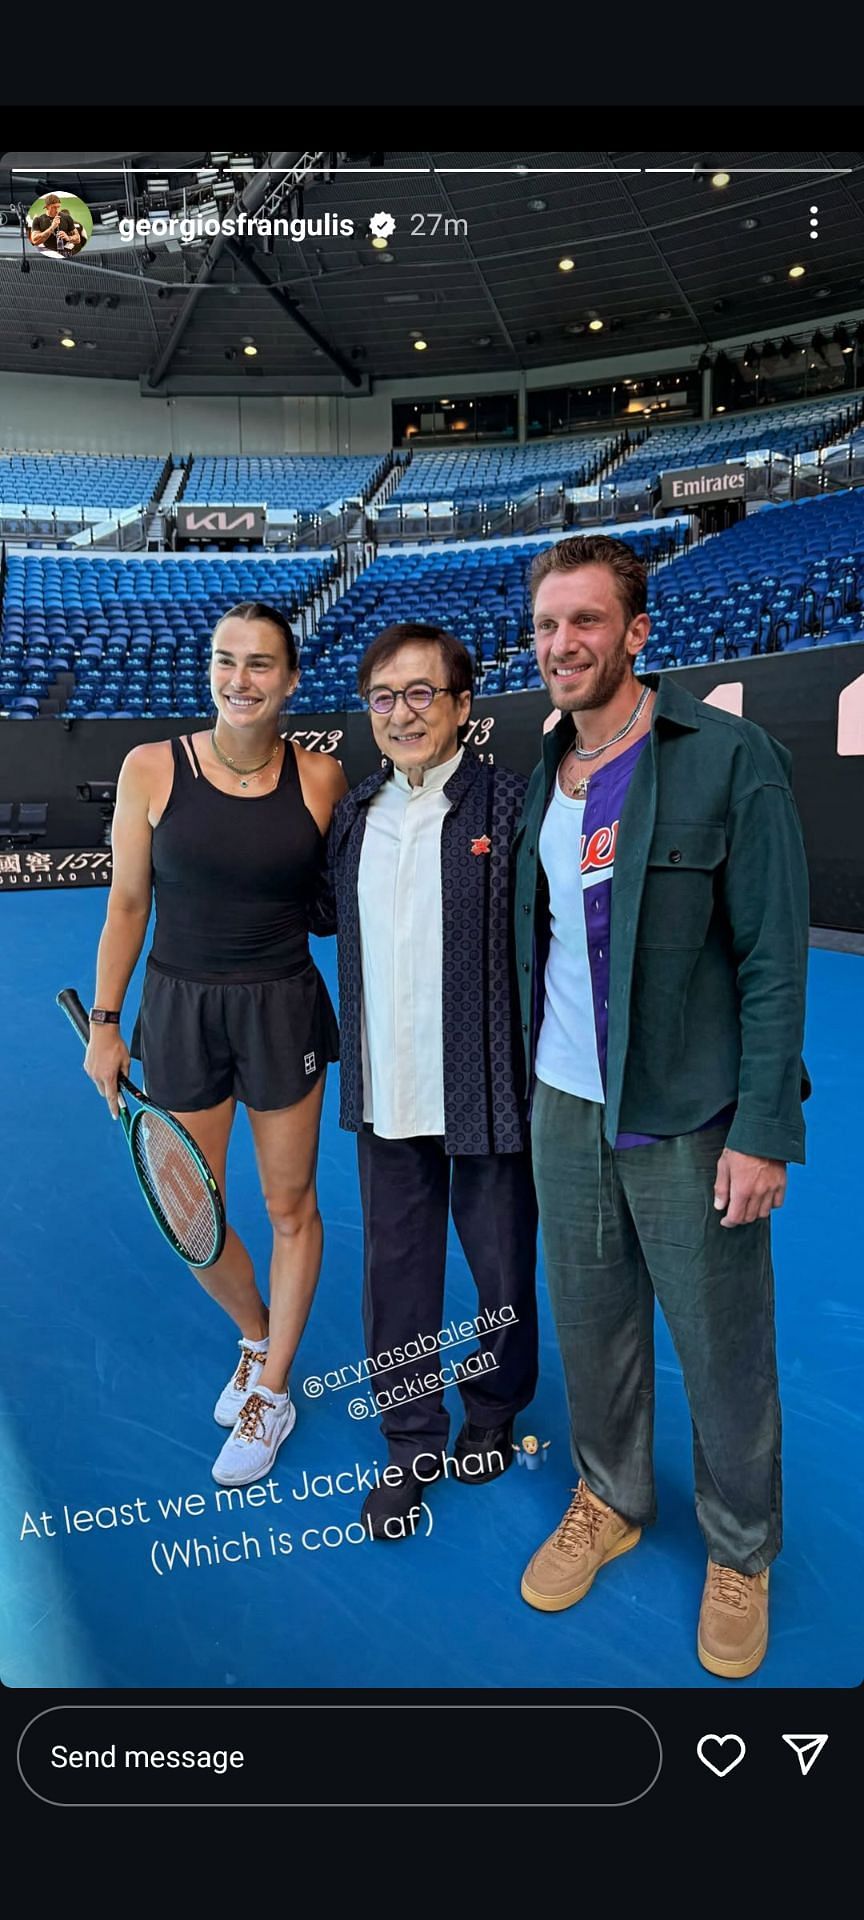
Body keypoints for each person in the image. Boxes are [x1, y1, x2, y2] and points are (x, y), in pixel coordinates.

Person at [513, 535, 810, 1678]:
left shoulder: (731, 759)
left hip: (690, 1114)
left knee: (724, 1343)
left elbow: (775, 959)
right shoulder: (545, 769)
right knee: (591, 1329)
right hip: (566, 1104)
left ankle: (742, 1549)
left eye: (585, 622)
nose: (561, 646)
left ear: (638, 632)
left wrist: (765, 1128)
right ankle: (612, 1496)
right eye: (546, 626)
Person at [84, 601, 346, 1487]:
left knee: (289, 1207)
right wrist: (107, 1024)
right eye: (226, 661)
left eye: (261, 664)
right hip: (179, 1009)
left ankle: (273, 1389)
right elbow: (128, 903)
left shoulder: (321, 781)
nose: (240, 679)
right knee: (192, 1219)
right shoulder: (150, 768)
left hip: (281, 1010)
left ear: (292, 679)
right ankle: (259, 1333)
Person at [329, 622, 539, 1539]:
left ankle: (492, 1410)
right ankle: (411, 1439)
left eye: (422, 694)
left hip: (488, 1087)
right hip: (385, 1091)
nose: (403, 713)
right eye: (384, 696)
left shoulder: (511, 804)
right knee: (397, 1274)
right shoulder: (353, 818)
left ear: (462, 707)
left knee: (501, 1267)